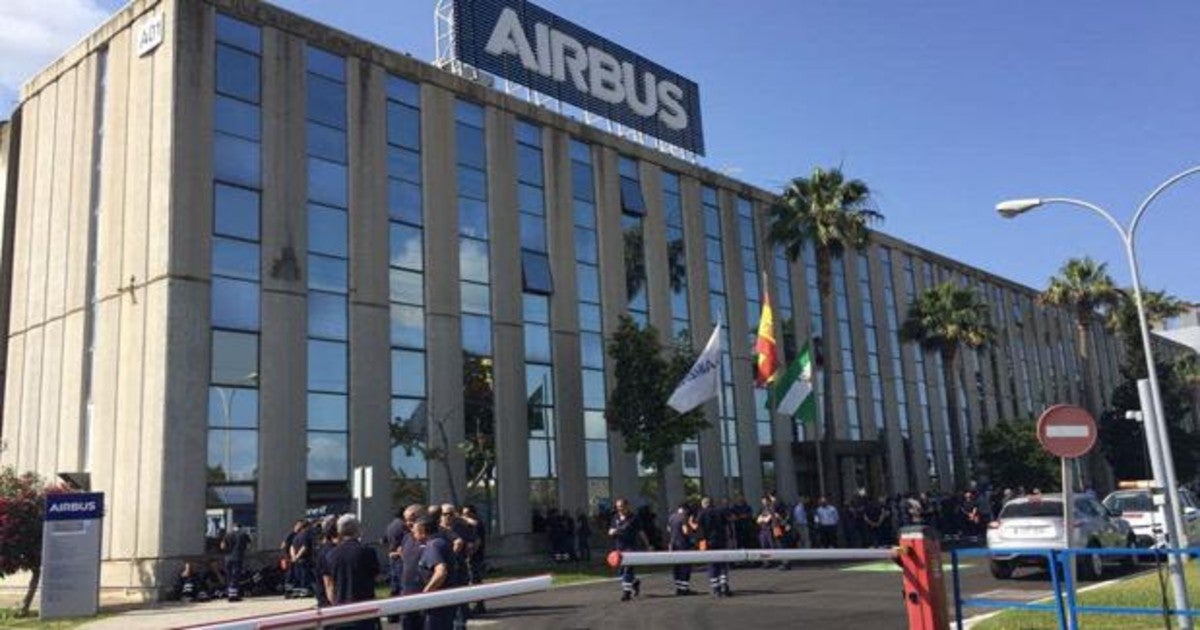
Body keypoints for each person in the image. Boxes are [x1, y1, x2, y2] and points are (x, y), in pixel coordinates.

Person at [322, 514, 381, 630]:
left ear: (339, 531)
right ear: (358, 530)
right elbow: (377, 577)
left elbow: (328, 585)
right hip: (364, 610)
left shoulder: (330, 555)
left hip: (340, 610)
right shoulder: (367, 552)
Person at [415, 516, 466, 630]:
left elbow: (440, 572)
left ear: (422, 531)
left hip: (438, 603)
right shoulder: (439, 542)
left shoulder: (434, 545)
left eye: (415, 531)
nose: (413, 534)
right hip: (444, 600)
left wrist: (425, 594)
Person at [608, 498, 647, 601]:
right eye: (618, 507)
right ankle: (635, 582)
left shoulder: (634, 518)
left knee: (628, 569)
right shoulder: (615, 517)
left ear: (627, 506)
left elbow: (641, 532)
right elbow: (611, 530)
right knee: (621, 571)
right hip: (619, 546)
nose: (619, 509)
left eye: (621, 507)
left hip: (631, 547)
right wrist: (612, 532)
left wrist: (647, 544)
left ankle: (626, 593)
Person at [697, 496, 732, 597]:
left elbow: (698, 527)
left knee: (712, 565)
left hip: (708, 542)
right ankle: (724, 585)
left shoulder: (702, 513)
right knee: (723, 564)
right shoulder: (720, 511)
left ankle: (716, 588)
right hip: (721, 540)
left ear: (704, 504)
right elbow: (727, 523)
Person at [666, 503, 695, 595]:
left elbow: (668, 529)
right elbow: (685, 531)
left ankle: (678, 587)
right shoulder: (684, 517)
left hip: (673, 544)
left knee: (677, 566)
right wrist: (692, 531)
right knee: (685, 566)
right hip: (683, 544)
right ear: (686, 510)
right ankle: (684, 588)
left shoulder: (672, 517)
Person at [220, 523, 251, 601]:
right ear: (240, 527)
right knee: (235, 576)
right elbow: (249, 546)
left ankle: (229, 592)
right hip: (238, 557)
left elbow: (222, 546)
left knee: (229, 576)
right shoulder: (243, 534)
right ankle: (233, 595)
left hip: (228, 558)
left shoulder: (228, 534)